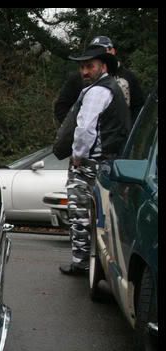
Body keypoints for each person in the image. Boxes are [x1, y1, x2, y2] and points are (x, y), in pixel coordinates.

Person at [56, 43, 131, 276]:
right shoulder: (110, 88)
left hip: (90, 162)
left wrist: (78, 156)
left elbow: (86, 128)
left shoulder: (98, 91)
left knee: (80, 214)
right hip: (106, 161)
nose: (85, 72)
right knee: (99, 216)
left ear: (103, 67)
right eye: (82, 67)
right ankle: (94, 262)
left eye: (90, 66)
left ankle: (81, 263)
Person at [54, 36, 145, 125]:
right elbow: (62, 106)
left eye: (102, 49)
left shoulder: (128, 76)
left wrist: (130, 129)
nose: (98, 53)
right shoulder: (78, 78)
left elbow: (138, 107)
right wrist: (76, 127)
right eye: (94, 50)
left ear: (112, 51)